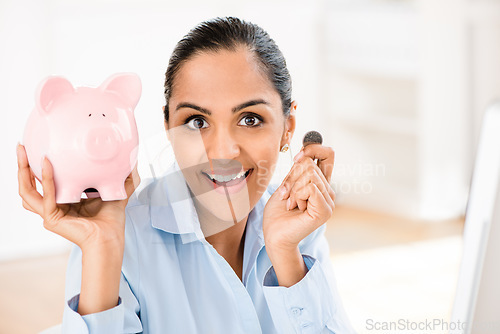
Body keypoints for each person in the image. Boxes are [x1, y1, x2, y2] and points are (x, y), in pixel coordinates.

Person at [17, 17, 355, 334]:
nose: (223, 152)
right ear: (168, 127)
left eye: (250, 119)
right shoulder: (118, 236)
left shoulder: (298, 225)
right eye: (197, 122)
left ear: (287, 127)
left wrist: (286, 254)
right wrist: (102, 248)